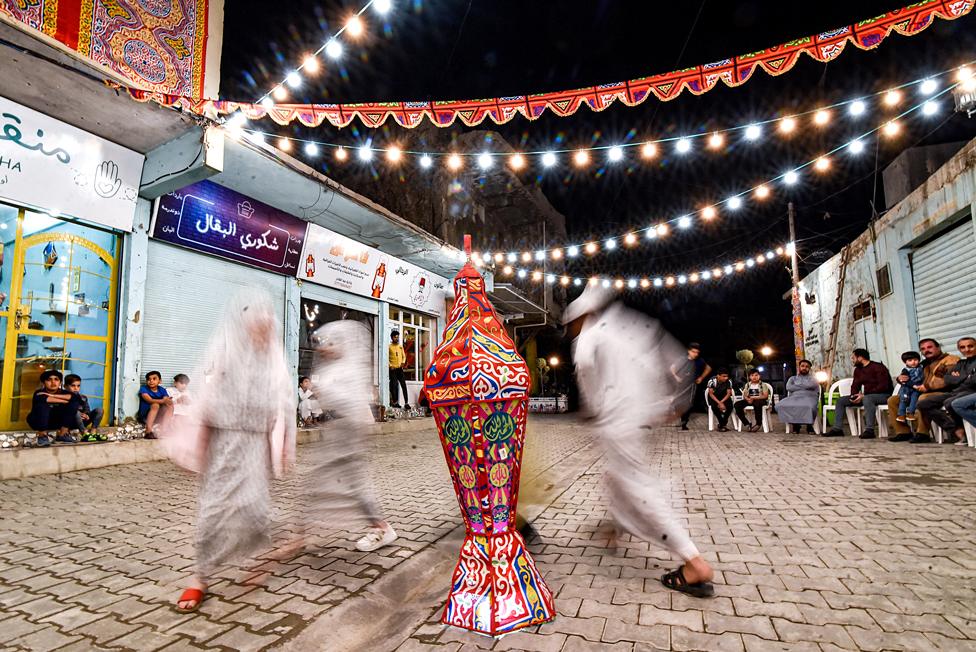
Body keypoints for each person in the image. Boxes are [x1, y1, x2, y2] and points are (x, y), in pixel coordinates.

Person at [563, 285, 714, 597]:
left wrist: (590, 411)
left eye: (571, 324)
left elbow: (587, 377)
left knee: (637, 485)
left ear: (582, 317)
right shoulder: (628, 327)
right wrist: (666, 406)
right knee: (617, 478)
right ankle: (614, 529)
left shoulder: (589, 337)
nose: (571, 330)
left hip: (617, 421)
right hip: (638, 417)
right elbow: (666, 363)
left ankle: (694, 562)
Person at [173, 290, 296, 613]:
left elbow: (285, 404)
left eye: (268, 321)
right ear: (243, 323)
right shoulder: (224, 351)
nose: (264, 327)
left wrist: (283, 446)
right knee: (213, 511)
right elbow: (204, 398)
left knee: (254, 509)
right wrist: (196, 446)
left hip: (256, 445)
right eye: (257, 321)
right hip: (223, 444)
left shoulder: (274, 359)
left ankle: (260, 556)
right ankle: (200, 576)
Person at [307, 320, 398, 552]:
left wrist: (325, 393)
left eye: (331, 344)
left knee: (354, 483)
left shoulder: (350, 368)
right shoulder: (333, 368)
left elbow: (347, 401)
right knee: (326, 479)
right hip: (337, 429)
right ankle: (304, 532)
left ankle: (382, 528)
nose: (325, 349)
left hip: (350, 429)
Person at [886, 339, 959, 442]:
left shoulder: (950, 360)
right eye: (923, 349)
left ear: (938, 347)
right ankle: (903, 432)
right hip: (920, 391)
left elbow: (947, 379)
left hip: (944, 392)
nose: (926, 351)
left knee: (923, 398)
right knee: (893, 400)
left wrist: (927, 386)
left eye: (930, 347)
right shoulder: (923, 364)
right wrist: (900, 378)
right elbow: (911, 376)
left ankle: (922, 433)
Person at [917, 337, 976, 445]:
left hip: (971, 392)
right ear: (959, 349)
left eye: (970, 346)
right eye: (962, 347)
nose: (967, 349)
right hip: (956, 391)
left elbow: (973, 381)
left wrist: (959, 377)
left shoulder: (952, 359)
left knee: (950, 402)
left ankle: (963, 434)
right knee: (923, 403)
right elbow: (948, 379)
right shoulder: (961, 363)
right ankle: (955, 430)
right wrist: (965, 377)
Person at [824, 348, 893, 439]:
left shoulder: (878, 367)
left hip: (883, 395)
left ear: (860, 358)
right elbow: (855, 385)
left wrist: (864, 395)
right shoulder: (858, 370)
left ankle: (870, 430)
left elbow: (883, 386)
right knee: (841, 400)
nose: (852, 360)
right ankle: (837, 429)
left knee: (867, 399)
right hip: (866, 396)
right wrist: (854, 396)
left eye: (853, 358)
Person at [26, 370, 81, 446]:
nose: (53, 382)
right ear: (43, 383)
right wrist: (66, 401)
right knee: (43, 405)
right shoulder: (39, 392)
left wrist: (52, 395)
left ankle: (63, 434)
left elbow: (75, 398)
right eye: (49, 380)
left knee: (74, 403)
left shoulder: (64, 392)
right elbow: (45, 399)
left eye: (56, 379)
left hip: (55, 422)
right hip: (38, 422)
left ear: (60, 382)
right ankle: (42, 436)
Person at [778, 359, 820, 434]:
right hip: (794, 397)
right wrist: (805, 387)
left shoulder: (813, 379)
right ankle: (796, 425)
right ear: (799, 367)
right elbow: (789, 387)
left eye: (807, 367)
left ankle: (809, 426)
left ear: (809, 369)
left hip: (809, 397)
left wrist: (797, 386)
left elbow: (812, 385)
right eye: (802, 366)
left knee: (809, 406)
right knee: (781, 405)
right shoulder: (792, 378)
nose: (804, 368)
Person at [678, 343, 712, 431]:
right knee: (679, 402)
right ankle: (681, 417)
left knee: (689, 403)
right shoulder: (683, 360)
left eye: (697, 352)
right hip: (681, 385)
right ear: (689, 351)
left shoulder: (699, 360)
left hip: (692, 385)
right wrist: (676, 377)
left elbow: (708, 368)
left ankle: (684, 422)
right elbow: (672, 368)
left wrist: (701, 377)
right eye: (693, 352)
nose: (695, 354)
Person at [64, 374, 105, 442]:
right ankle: (85, 434)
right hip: (69, 423)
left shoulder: (83, 398)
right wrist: (78, 413)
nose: (76, 388)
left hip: (82, 421)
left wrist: (86, 415)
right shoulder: (62, 397)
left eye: (78, 386)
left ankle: (93, 432)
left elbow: (87, 410)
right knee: (75, 412)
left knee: (99, 410)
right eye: (73, 386)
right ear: (65, 386)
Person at [138, 371, 171, 439]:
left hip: (157, 417)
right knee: (155, 405)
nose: (151, 381)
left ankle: (164, 429)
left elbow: (166, 400)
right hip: (145, 416)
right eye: (149, 379)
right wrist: (163, 401)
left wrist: (166, 400)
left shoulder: (162, 389)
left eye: (154, 378)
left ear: (160, 381)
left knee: (170, 405)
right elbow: (150, 400)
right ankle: (148, 431)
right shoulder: (144, 389)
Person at [895, 351, 924, 423]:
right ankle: (901, 415)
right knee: (904, 400)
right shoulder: (905, 370)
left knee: (914, 399)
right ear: (905, 362)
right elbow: (905, 380)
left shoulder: (921, 367)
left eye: (915, 360)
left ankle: (911, 413)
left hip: (916, 389)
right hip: (906, 388)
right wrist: (913, 385)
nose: (913, 362)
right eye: (910, 360)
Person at [388, 330, 410, 410]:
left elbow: (404, 356)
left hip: (400, 369)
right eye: (395, 337)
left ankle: (406, 403)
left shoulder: (400, 346)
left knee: (403, 385)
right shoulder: (389, 347)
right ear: (392, 338)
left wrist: (403, 362)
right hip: (393, 369)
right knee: (394, 386)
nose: (397, 339)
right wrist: (390, 366)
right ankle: (395, 402)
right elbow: (386, 358)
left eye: (398, 337)